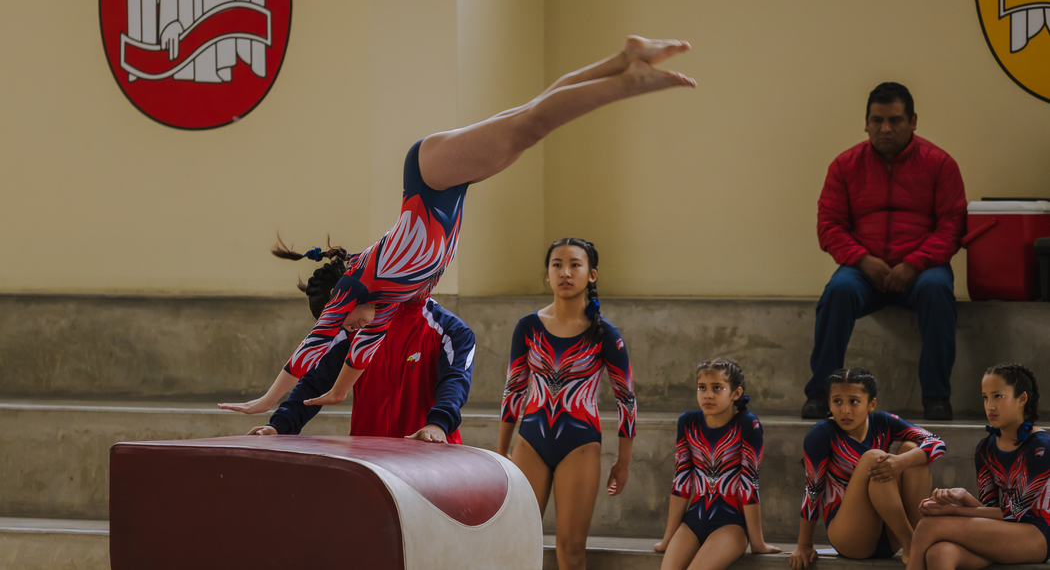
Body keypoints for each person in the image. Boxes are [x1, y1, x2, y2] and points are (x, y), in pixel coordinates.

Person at [227, 36, 694, 416]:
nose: (351, 328)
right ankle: (623, 58)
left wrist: (267, 401)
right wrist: (338, 391)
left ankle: (627, 83)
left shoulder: (354, 285)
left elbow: (313, 346)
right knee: (527, 119)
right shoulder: (387, 304)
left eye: (345, 321)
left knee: (528, 125)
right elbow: (359, 354)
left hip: (428, 180)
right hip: (448, 195)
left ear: (338, 301)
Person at [802, 82, 967, 421]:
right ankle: (821, 393)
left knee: (938, 290)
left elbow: (952, 226)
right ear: (866, 123)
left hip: (921, 271)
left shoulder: (940, 164)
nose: (885, 128)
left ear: (913, 121)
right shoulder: (845, 165)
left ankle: (936, 397)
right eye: (877, 120)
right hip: (864, 270)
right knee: (837, 291)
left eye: (895, 120)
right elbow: (830, 225)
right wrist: (863, 260)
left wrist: (913, 264)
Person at [220, 243, 474, 444]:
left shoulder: (450, 331)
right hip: (372, 460)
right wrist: (278, 426)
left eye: (342, 319)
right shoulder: (351, 334)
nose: (347, 329)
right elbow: (313, 383)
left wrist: (437, 425)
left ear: (347, 297)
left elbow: (455, 382)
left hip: (430, 454)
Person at [498, 238, 636, 570]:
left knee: (571, 551)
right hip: (530, 442)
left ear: (591, 275)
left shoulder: (605, 334)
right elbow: (513, 389)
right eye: (557, 265)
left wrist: (623, 462)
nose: (565, 272)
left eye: (575, 264)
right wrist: (501, 451)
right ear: (548, 275)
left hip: (580, 445)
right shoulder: (528, 327)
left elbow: (627, 400)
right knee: (516, 544)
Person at [790, 368, 946, 569]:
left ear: (871, 404)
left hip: (891, 532)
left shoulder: (883, 422)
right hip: (850, 536)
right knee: (874, 457)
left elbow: (937, 443)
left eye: (854, 401)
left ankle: (916, 538)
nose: (845, 410)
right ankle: (912, 545)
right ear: (829, 404)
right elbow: (813, 489)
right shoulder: (821, 433)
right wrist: (804, 544)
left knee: (911, 449)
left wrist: (902, 461)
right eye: (837, 401)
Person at [907, 363, 1049, 570]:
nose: (990, 406)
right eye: (985, 397)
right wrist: (962, 496)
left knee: (928, 525)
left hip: (1037, 535)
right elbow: (988, 510)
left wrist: (952, 511)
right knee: (939, 553)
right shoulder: (985, 448)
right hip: (1001, 530)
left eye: (998, 396)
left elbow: (1013, 512)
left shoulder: (1041, 447)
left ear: (1022, 399)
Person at [654, 358, 781, 570]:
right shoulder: (688, 422)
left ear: (736, 393)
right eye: (702, 387)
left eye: (717, 388)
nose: (708, 395)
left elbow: (749, 484)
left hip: (730, 525)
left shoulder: (747, 423)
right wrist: (668, 538)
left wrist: (757, 543)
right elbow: (681, 483)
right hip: (692, 522)